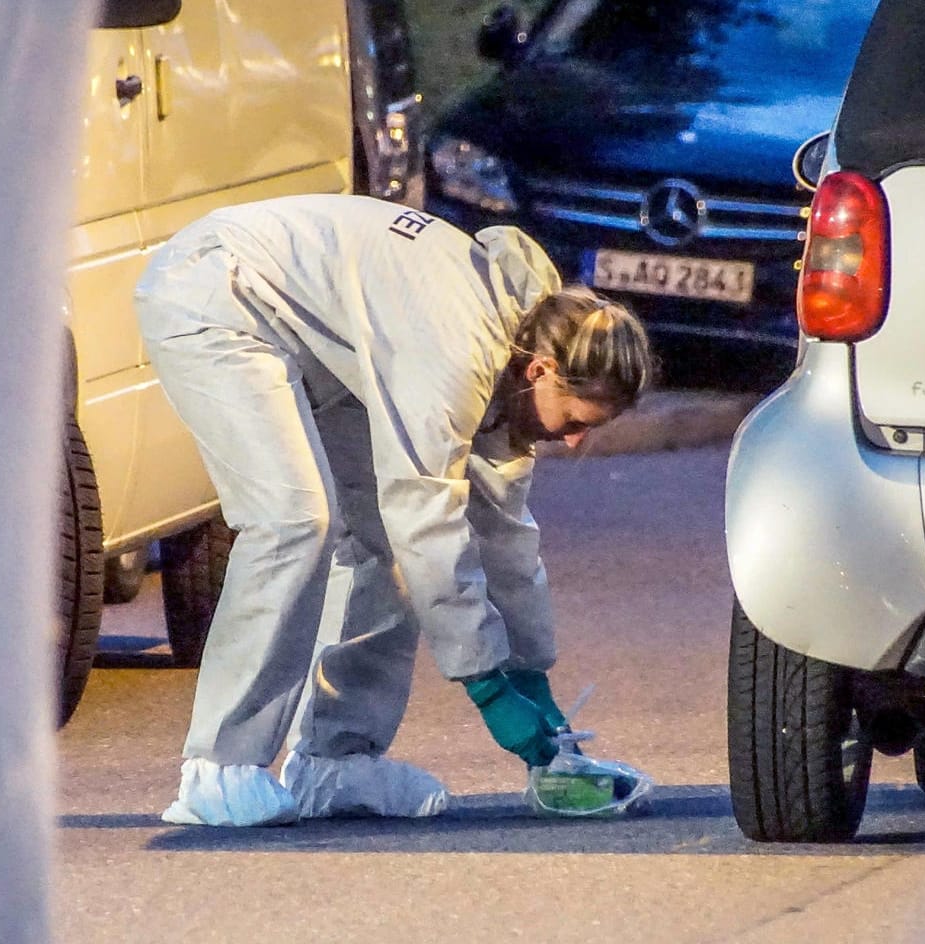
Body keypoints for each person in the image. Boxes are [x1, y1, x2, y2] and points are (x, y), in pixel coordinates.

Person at [132, 193, 653, 826]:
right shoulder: (456, 352)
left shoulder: (517, 353)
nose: (574, 442)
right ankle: (218, 770)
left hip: (308, 337)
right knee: (295, 520)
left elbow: (505, 538)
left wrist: (532, 677)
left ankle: (335, 760)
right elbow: (428, 520)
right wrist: (488, 687)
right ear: (540, 370)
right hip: (217, 294)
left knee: (382, 541)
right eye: (574, 420)